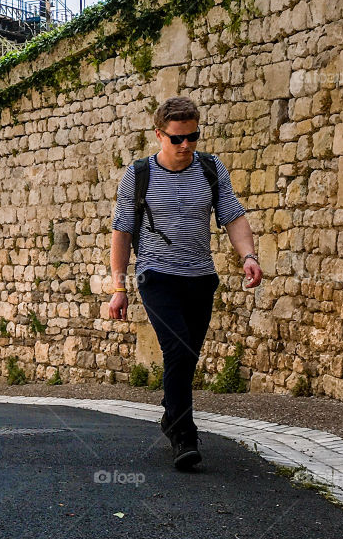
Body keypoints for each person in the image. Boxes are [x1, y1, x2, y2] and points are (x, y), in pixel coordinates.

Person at [107, 96, 262, 470]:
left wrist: (249, 256)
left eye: (192, 137)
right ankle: (183, 433)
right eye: (177, 138)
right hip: (156, 275)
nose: (185, 145)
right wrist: (119, 287)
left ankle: (170, 414)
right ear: (159, 134)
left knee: (188, 354)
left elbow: (233, 217)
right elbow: (122, 232)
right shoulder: (138, 175)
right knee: (177, 349)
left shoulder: (211, 169)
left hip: (200, 277)